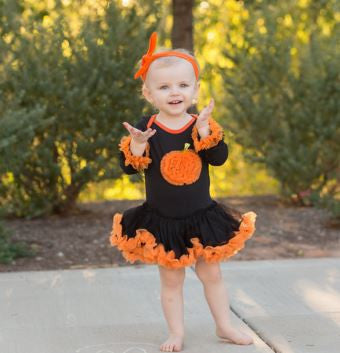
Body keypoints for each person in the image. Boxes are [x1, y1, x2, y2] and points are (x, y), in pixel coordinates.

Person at [109, 32, 257, 352]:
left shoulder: (200, 124)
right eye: (164, 87)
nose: (174, 92)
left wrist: (204, 131)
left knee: (212, 274)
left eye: (182, 85)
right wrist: (137, 144)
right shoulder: (147, 126)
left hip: (202, 219)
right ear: (148, 93)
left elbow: (219, 159)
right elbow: (129, 167)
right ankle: (175, 333)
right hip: (163, 221)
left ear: (196, 89)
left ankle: (224, 326)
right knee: (172, 282)